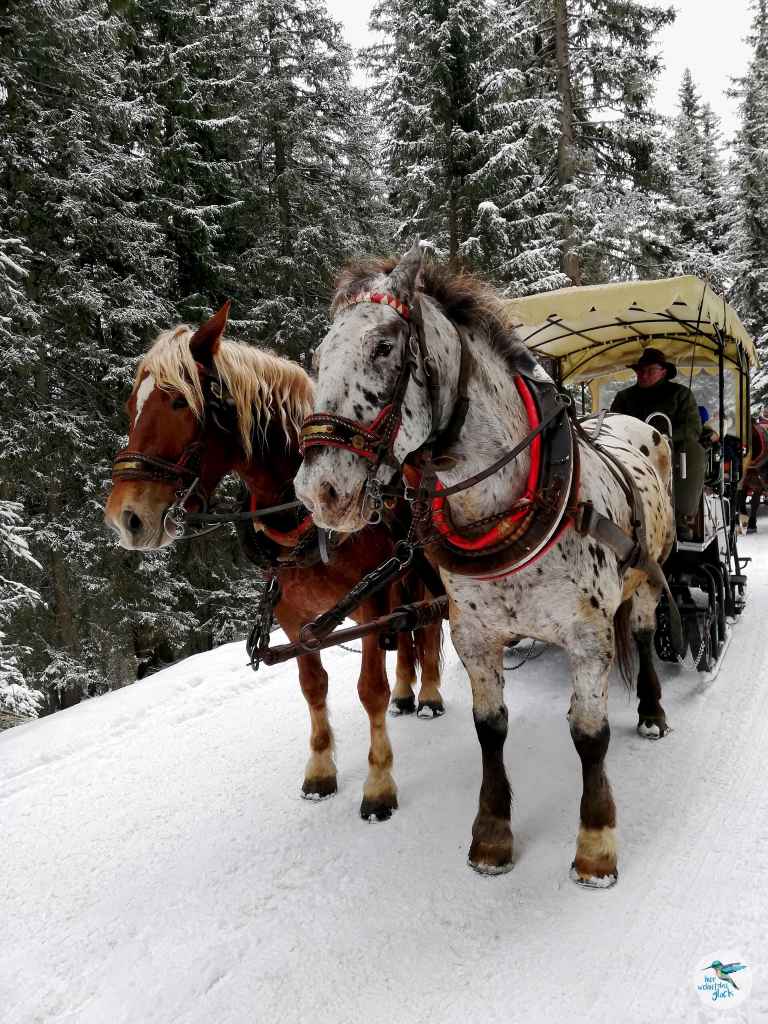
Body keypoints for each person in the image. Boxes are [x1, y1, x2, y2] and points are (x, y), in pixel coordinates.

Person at [610, 348, 705, 540]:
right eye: (640, 371)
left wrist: (662, 439)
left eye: (650, 370)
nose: (643, 375)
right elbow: (614, 423)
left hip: (671, 453)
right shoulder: (624, 397)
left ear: (663, 371)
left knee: (693, 451)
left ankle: (679, 516)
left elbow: (692, 429)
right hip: (630, 452)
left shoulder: (681, 394)